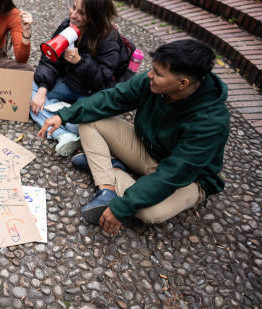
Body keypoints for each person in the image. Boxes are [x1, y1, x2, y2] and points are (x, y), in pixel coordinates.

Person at [38, 40, 230, 234]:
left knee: (149, 213)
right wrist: (64, 115)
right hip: (147, 149)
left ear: (183, 83)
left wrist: (121, 208)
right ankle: (107, 188)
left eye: (158, 74)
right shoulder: (152, 83)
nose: (149, 75)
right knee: (89, 121)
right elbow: (111, 98)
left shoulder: (211, 121)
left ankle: (106, 166)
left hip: (189, 178)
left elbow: (174, 173)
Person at [30, 0, 130, 156]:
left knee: (76, 125)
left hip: (91, 93)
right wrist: (43, 88)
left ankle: (59, 117)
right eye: (73, 7)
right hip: (69, 83)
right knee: (28, 90)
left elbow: (103, 80)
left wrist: (80, 62)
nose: (73, 15)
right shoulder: (66, 26)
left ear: (95, 17)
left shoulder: (109, 39)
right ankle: (63, 135)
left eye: (81, 13)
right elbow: (49, 59)